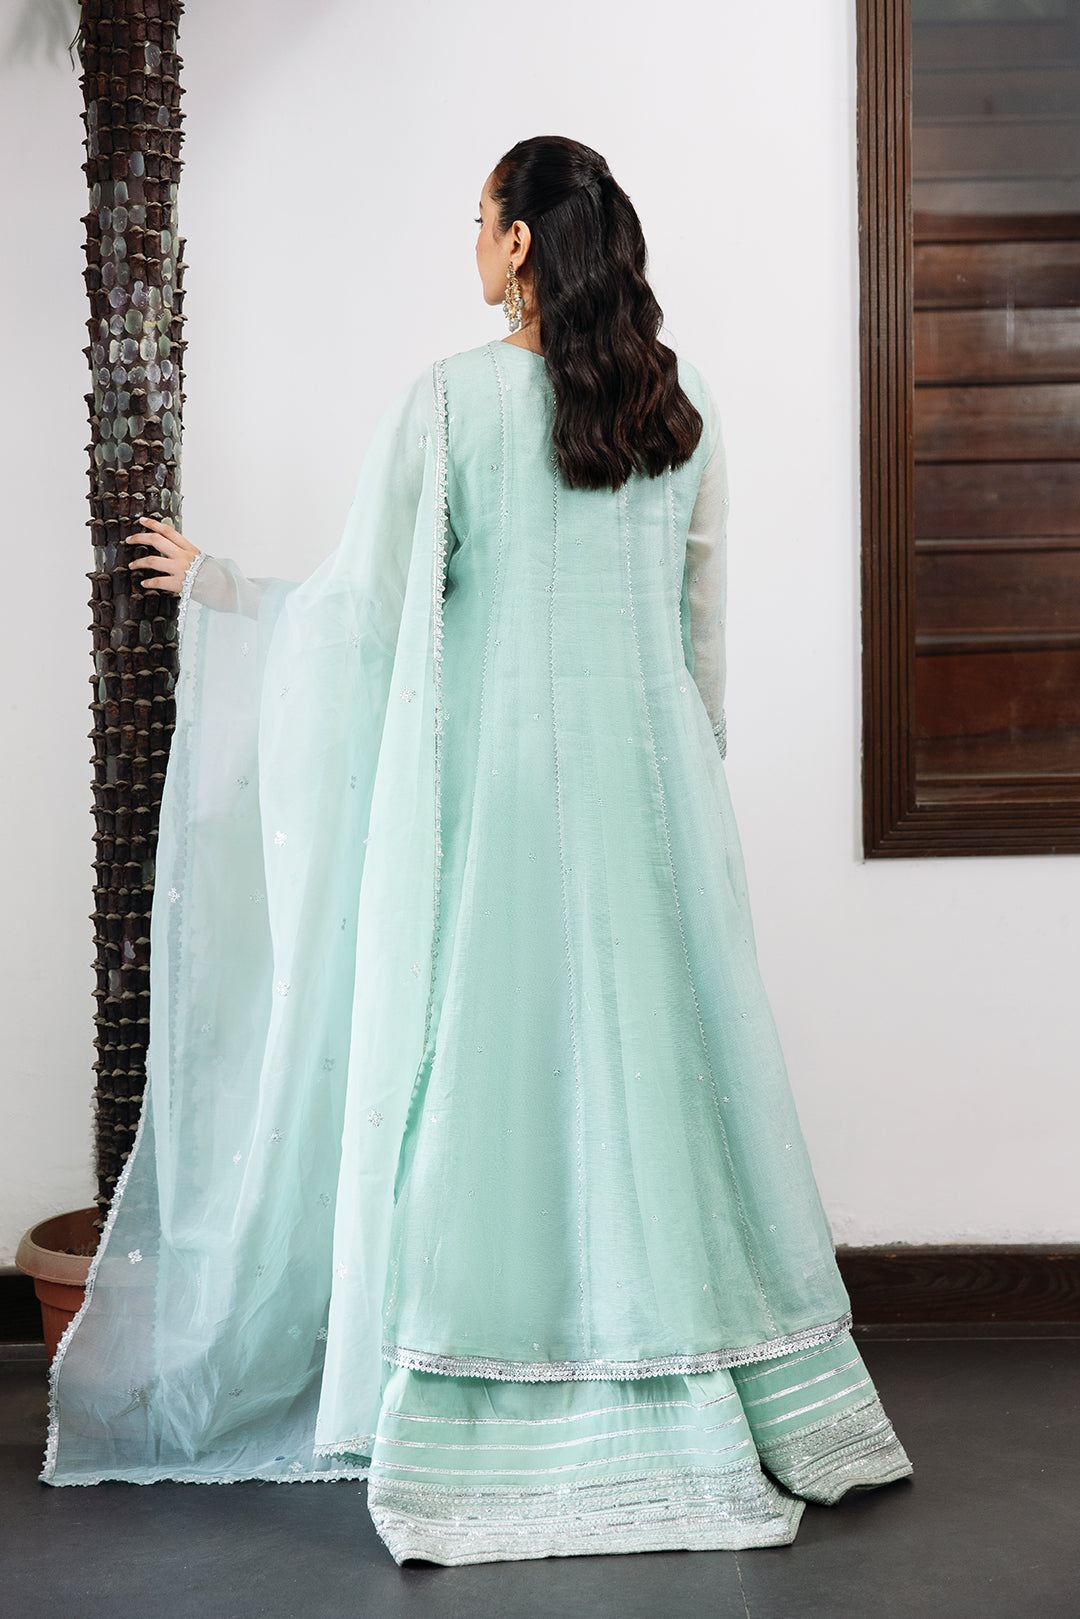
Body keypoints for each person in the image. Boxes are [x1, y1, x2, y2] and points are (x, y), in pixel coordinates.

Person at [42, 135, 911, 1565]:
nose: (472, 241)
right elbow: (700, 651)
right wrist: (678, 797)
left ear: (517, 244)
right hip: (657, 803)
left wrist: (230, 590)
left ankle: (496, 1389)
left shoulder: (450, 401)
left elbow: (366, 615)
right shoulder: (683, 408)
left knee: (498, 1078)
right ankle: (714, 1372)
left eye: (478, 219)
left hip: (501, 800)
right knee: (658, 1079)